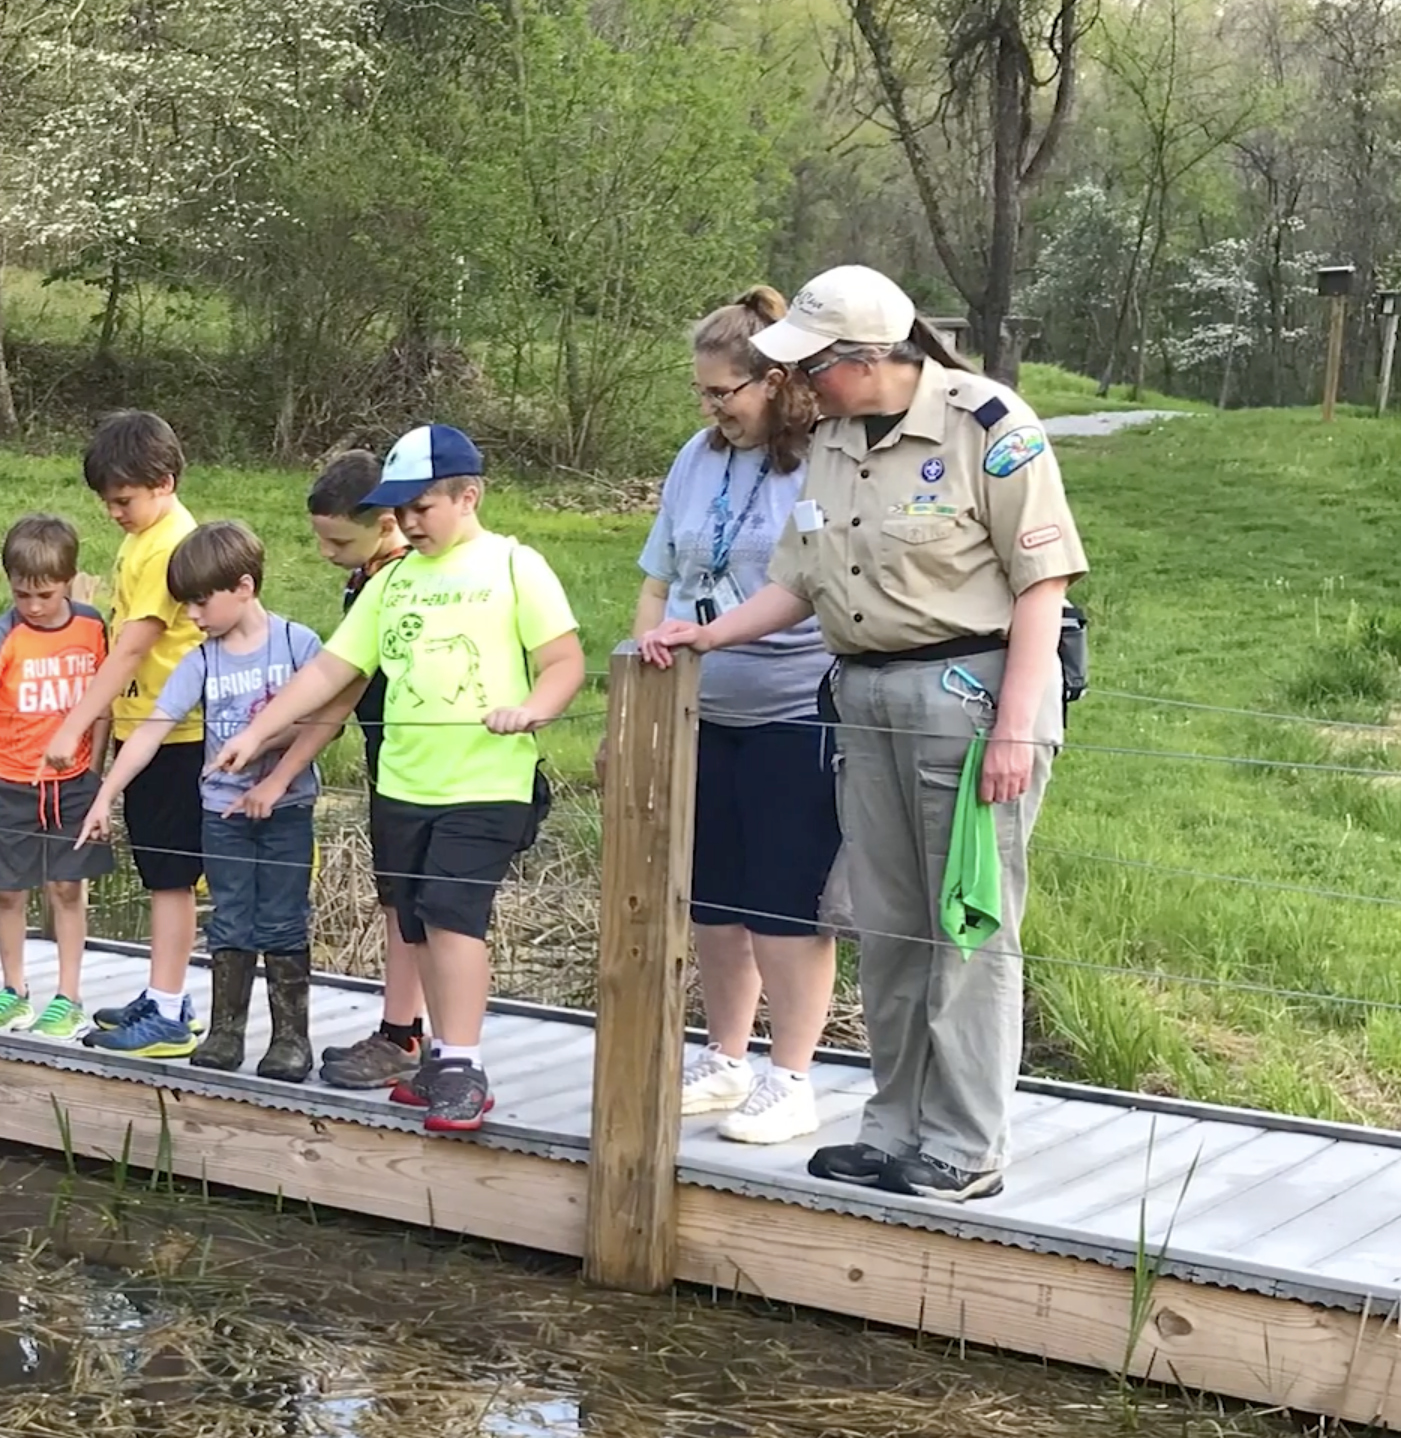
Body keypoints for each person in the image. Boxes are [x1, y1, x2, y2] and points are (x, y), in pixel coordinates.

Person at [643, 264, 1086, 1203]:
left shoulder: (989, 427)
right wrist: (708, 632)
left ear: (868, 358)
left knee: (963, 927)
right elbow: (797, 581)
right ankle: (893, 1129)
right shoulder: (836, 441)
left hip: (968, 699)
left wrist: (1013, 729)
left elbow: (1044, 585)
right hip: (862, 700)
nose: (799, 384)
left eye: (814, 365)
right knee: (888, 926)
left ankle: (966, 1147)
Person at [211, 425, 583, 1133]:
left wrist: (534, 709)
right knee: (413, 921)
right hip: (405, 785)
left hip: (485, 784)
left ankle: (464, 1067)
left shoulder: (513, 566)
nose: (409, 522)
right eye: (400, 511)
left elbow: (563, 659)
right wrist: (257, 732)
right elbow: (332, 671)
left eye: (423, 508)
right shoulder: (395, 582)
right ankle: (436, 1057)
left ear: (467, 496)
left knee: (451, 915)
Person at [631, 286, 843, 1146]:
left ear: (779, 383)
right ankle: (726, 1060)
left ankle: (791, 1077)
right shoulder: (696, 455)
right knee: (712, 900)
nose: (713, 409)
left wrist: (716, 634)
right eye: (703, 394)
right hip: (697, 710)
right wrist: (644, 670)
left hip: (794, 707)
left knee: (783, 901)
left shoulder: (822, 460)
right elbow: (658, 578)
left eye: (728, 393)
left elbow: (817, 585)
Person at [77, 521, 335, 1080]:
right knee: (231, 919)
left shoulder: (299, 645)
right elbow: (150, 730)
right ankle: (225, 1031)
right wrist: (106, 793)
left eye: (199, 601)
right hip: (221, 814)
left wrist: (266, 754)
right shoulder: (200, 660)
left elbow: (323, 722)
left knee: (284, 920)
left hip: (287, 811)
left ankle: (292, 1039)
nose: (191, 615)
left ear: (243, 587)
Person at [41, 411, 207, 1057]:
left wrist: (75, 724)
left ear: (163, 482)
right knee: (158, 870)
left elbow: (133, 647)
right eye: (107, 502)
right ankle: (164, 991)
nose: (114, 512)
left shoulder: (170, 543)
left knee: (170, 875)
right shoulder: (145, 534)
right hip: (147, 727)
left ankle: (168, 1009)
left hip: (179, 732)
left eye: (124, 500)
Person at [0, 515, 112, 1038]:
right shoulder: (2, 634)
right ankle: (14, 990)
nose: (33, 606)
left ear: (69, 581)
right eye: (22, 594)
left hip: (72, 786)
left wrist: (94, 776)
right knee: (8, 890)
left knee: (67, 886)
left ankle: (68, 996)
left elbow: (103, 705)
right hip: (13, 779)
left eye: (44, 594)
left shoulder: (92, 627)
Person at [303, 451, 429, 1091]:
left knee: (410, 902)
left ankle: (406, 1033)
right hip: (388, 758)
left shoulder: (399, 579)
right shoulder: (367, 575)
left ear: (386, 523)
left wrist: (285, 755)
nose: (327, 553)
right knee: (395, 899)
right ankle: (401, 1024)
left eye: (338, 540)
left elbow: (345, 683)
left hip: (419, 760)